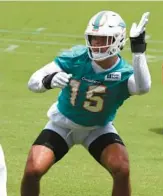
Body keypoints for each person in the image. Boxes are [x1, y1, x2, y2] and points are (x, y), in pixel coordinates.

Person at [21, 10, 151, 196]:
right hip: (62, 124)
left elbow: (142, 88)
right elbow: (33, 81)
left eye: (102, 39)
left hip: (98, 128)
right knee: (33, 169)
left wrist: (139, 51)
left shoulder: (123, 72)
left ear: (117, 40)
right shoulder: (76, 58)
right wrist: (48, 80)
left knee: (122, 168)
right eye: (93, 38)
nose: (96, 43)